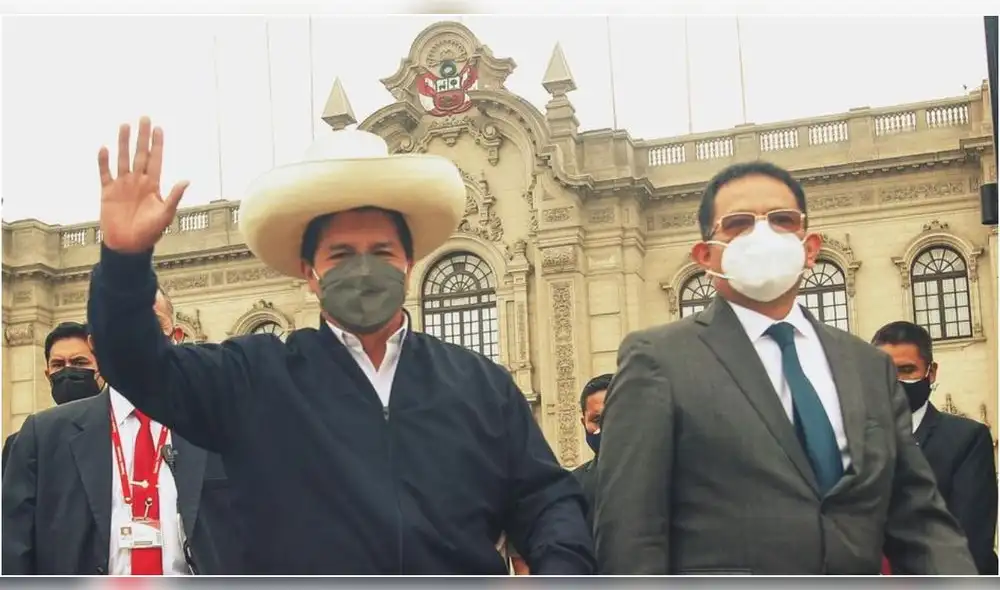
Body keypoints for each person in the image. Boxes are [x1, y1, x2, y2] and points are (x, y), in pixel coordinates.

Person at [86, 117, 593, 574]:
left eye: (381, 252)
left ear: (408, 264)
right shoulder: (254, 376)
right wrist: (125, 261)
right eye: (342, 254)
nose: (364, 269)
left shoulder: (481, 385)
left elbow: (548, 501)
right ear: (310, 273)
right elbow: (136, 363)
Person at [593, 161, 976, 575]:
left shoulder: (867, 367)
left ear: (809, 247)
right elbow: (630, 531)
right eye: (738, 223)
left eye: (782, 220)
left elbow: (918, 516)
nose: (763, 235)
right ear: (705, 256)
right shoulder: (658, 359)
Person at [2, 289, 242, 575]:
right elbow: (13, 554)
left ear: (175, 336)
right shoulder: (43, 437)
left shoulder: (224, 426)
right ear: (95, 344)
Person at [872, 320, 998, 575]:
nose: (894, 381)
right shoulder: (853, 439)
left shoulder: (966, 439)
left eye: (907, 370)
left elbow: (969, 543)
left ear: (931, 372)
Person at [2, 322, 106, 477]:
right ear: (48, 375)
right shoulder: (23, 443)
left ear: (102, 370)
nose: (67, 370)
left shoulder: (123, 433)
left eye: (79, 362)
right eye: (58, 364)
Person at [571, 374, 612, 529]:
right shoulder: (572, 489)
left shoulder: (669, 479)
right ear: (584, 423)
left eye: (615, 417)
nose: (607, 427)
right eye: (596, 420)